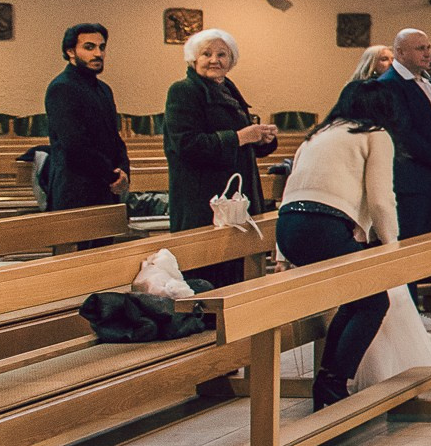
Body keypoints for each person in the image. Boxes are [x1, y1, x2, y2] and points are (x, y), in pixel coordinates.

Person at [276, 81, 400, 410]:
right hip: (324, 226)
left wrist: (280, 253)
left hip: (288, 226)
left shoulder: (317, 135)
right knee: (373, 302)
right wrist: (392, 247)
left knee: (356, 299)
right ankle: (331, 383)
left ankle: (329, 380)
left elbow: (290, 190)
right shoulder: (375, 134)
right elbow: (381, 199)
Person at [163, 29, 275, 288]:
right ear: (194, 59)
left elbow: (241, 143)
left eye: (222, 54)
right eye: (207, 54)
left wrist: (261, 139)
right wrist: (239, 137)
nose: (214, 60)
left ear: (231, 60)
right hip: (202, 200)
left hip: (234, 196)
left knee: (234, 271)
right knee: (207, 274)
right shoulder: (183, 91)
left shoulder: (228, 90)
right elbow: (186, 144)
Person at [41, 22, 129, 217]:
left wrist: (123, 170)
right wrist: (112, 175)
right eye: (89, 47)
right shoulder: (62, 88)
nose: (98, 53)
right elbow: (75, 145)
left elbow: (114, 138)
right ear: (71, 51)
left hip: (107, 188)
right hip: (76, 190)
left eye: (102, 47)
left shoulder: (104, 89)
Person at [379, 28, 431, 238]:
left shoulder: (429, 81)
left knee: (428, 241)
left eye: (428, 48)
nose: (427, 53)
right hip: (409, 179)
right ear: (400, 52)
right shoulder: (389, 84)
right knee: (413, 242)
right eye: (420, 49)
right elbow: (403, 134)